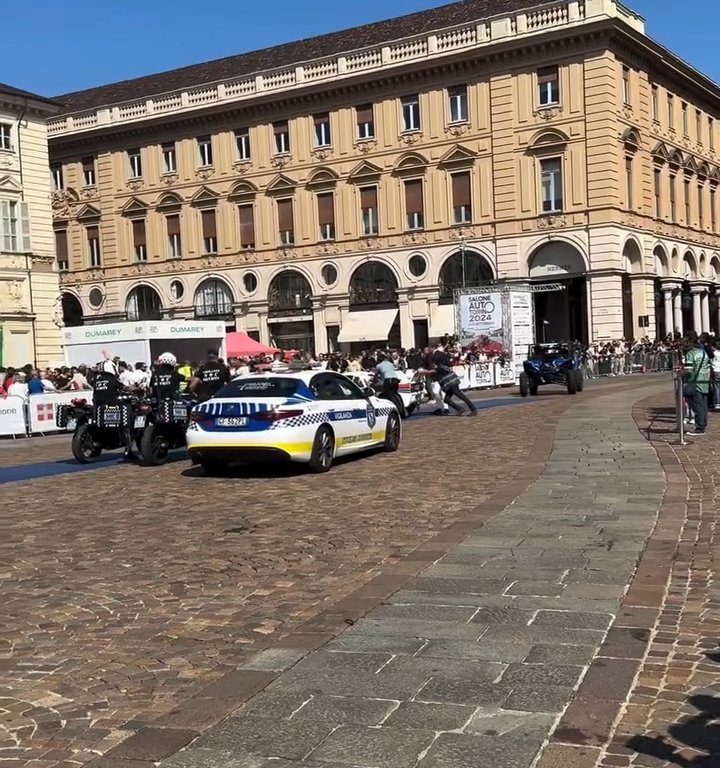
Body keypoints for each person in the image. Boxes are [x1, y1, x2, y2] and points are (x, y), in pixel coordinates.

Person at [93, 360, 138, 460]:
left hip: (99, 408)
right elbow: (125, 388)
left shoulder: (97, 380)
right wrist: (136, 389)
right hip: (113, 407)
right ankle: (128, 449)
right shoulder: (113, 379)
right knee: (127, 424)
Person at [424, 343, 477, 416]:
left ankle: (473, 410)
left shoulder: (435, 356)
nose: (428, 350)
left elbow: (436, 367)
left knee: (461, 396)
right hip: (450, 379)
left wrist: (431, 369)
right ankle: (460, 409)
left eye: (429, 348)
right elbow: (449, 363)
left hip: (449, 380)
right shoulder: (441, 354)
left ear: (432, 348)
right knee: (447, 399)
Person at [681, 331, 711, 435]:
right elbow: (708, 365)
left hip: (695, 382)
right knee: (703, 405)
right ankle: (703, 424)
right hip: (704, 381)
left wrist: (680, 373)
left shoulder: (690, 353)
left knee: (697, 405)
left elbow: (689, 369)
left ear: (689, 341)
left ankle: (699, 427)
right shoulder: (703, 352)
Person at [373, 353, 407, 418]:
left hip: (388, 381)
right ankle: (403, 411)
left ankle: (397, 412)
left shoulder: (378, 366)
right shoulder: (390, 363)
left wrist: (374, 381)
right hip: (395, 379)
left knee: (391, 395)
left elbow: (375, 376)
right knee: (396, 394)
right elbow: (392, 370)